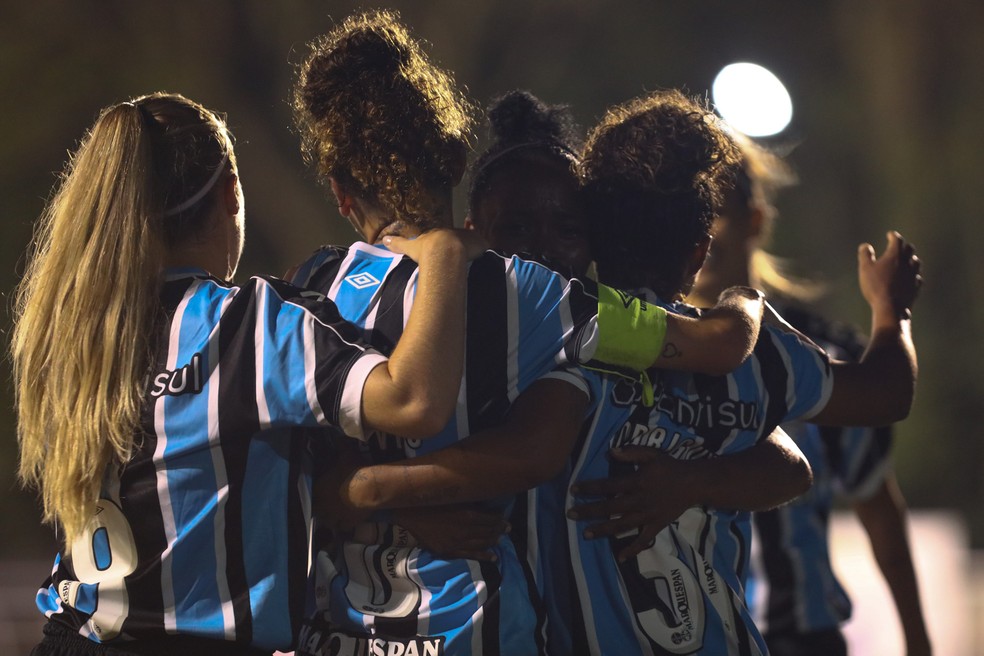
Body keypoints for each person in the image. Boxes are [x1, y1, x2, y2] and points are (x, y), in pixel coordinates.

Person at [287, 12, 767, 656]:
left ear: (343, 193)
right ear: (456, 160)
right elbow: (716, 347)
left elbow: (283, 465)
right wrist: (744, 300)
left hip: (335, 632)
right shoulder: (530, 294)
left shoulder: (303, 289)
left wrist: (372, 496)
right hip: (470, 630)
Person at [11, 91, 481, 656]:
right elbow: (413, 403)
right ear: (231, 192)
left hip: (68, 638)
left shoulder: (73, 331)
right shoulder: (245, 322)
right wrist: (447, 253)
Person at [553, 89, 921, 655]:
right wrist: (891, 310)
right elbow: (887, 393)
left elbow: (793, 471)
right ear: (699, 249)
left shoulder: (554, 326)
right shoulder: (760, 352)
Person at [687, 134, 932, 656]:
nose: (703, 234)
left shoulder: (819, 353)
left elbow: (879, 508)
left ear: (755, 220)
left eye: (718, 213)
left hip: (801, 640)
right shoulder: (646, 348)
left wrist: (918, 639)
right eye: (691, 214)